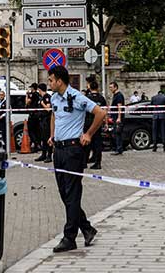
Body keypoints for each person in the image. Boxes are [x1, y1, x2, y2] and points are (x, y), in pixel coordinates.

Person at [46, 65, 105, 253]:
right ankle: (87, 229)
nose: (49, 83)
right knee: (65, 194)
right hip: (59, 150)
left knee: (72, 194)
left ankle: (69, 237)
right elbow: (54, 116)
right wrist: (52, 135)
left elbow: (100, 113)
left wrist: (88, 134)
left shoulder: (77, 97)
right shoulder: (54, 97)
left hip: (73, 150)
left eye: (51, 80)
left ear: (59, 81)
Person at [84, 79, 107, 169]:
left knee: (86, 142)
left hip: (88, 122)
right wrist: (105, 123)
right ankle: (97, 162)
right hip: (98, 123)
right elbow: (105, 111)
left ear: (89, 87)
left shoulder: (87, 98)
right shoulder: (101, 98)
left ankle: (84, 162)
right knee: (97, 143)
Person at [36, 83, 52, 162]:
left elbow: (48, 109)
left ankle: (49, 155)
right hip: (42, 120)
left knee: (47, 138)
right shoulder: (41, 97)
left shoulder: (47, 97)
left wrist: (42, 104)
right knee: (43, 138)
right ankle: (43, 154)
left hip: (47, 120)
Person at [109, 81, 125, 155]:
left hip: (118, 117)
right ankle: (118, 148)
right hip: (114, 117)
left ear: (115, 87)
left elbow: (119, 107)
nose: (110, 89)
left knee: (117, 133)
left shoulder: (119, 95)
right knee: (116, 133)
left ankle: (119, 149)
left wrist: (119, 117)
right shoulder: (115, 95)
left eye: (111, 87)